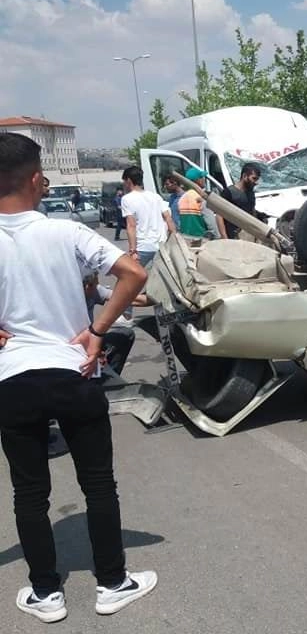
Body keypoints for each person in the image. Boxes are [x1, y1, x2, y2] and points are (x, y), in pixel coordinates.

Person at [0, 133, 157, 622]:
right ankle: (113, 583)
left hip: (14, 380)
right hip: (74, 371)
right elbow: (133, 274)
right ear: (33, 179)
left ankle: (46, 593)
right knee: (98, 484)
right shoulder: (66, 233)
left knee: (28, 492)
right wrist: (96, 332)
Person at [83, 270, 151, 376]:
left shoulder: (93, 290)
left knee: (125, 335)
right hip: (72, 345)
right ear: (88, 285)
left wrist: (157, 296)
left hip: (89, 339)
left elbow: (131, 300)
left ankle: (109, 378)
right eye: (95, 283)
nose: (97, 286)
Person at [121, 166, 175, 268]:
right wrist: (174, 239)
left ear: (128, 180)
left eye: (124, 181)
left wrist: (133, 250)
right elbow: (168, 218)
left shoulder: (127, 199)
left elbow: (131, 225)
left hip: (143, 247)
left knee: (135, 277)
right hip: (161, 246)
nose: (124, 184)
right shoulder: (156, 197)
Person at [220, 162, 261, 239]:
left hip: (248, 236)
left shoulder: (250, 193)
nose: (256, 183)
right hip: (232, 237)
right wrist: (224, 237)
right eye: (254, 178)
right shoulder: (229, 192)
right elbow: (219, 215)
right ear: (244, 176)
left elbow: (252, 211)